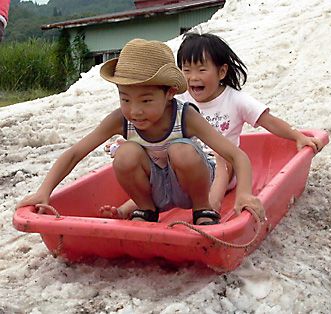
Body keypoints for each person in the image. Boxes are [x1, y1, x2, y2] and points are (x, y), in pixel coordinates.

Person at [16, 38, 263, 225]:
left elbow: (237, 156)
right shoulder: (121, 119)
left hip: (194, 186)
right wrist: (44, 192)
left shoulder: (185, 115)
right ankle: (146, 210)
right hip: (155, 188)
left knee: (181, 149)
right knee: (126, 153)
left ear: (169, 93)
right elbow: (75, 153)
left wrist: (243, 194)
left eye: (145, 101)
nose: (134, 111)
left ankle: (203, 210)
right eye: (125, 99)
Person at [174, 32, 324, 211]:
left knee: (221, 156)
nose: (193, 77)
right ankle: (138, 209)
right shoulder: (179, 98)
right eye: (186, 70)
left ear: (221, 72)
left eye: (201, 70)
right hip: (191, 167)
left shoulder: (235, 100)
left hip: (224, 170)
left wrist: (298, 136)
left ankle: (210, 209)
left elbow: (268, 121)